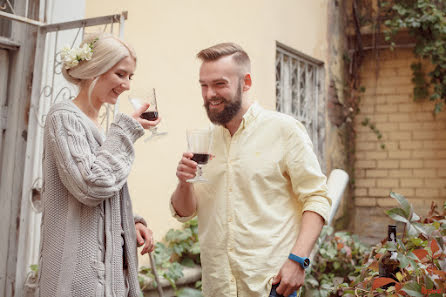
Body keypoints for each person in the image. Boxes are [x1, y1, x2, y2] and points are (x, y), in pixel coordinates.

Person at [170, 43, 332, 297]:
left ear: (245, 82)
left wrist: (298, 261)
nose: (209, 93)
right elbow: (185, 211)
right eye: (203, 85)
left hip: (272, 285)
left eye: (219, 84)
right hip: (218, 287)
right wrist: (184, 182)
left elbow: (317, 198)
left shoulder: (284, 130)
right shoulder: (205, 141)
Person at [39, 33, 157, 297]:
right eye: (120, 74)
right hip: (77, 281)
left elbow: (103, 191)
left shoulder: (97, 124)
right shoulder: (64, 118)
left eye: (130, 77)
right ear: (96, 70)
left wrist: (130, 222)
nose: (127, 85)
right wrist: (125, 131)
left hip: (109, 277)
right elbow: (91, 185)